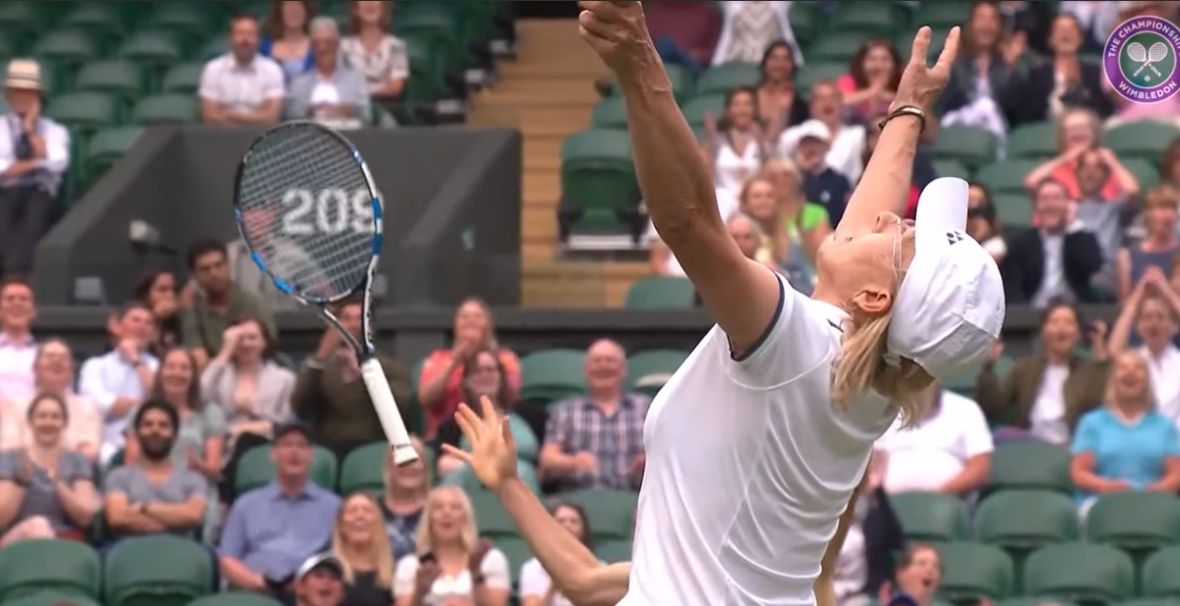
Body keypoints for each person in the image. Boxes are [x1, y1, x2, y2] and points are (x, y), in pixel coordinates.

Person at [444, 5, 1001, 606]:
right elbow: (858, 231)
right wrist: (909, 110)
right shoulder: (870, 384)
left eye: (903, 235)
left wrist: (639, 62)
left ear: (875, 297)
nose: (892, 218)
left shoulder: (797, 348)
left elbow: (689, 224)